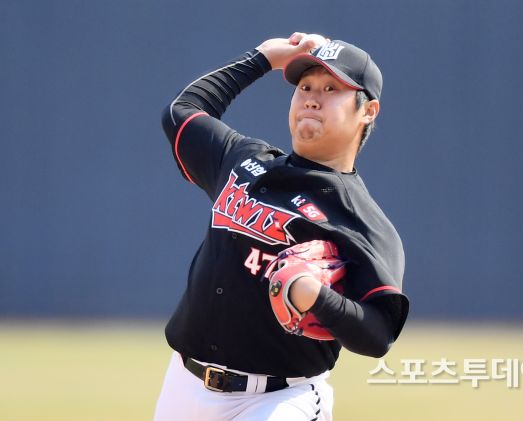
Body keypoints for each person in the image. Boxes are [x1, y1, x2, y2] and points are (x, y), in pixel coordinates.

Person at [154, 32, 409, 421]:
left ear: (368, 111)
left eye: (331, 89)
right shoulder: (242, 160)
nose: (312, 98)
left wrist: (317, 298)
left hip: (278, 400)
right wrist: (262, 58)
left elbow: (378, 336)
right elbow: (182, 111)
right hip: (183, 386)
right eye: (305, 87)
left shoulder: (359, 219)